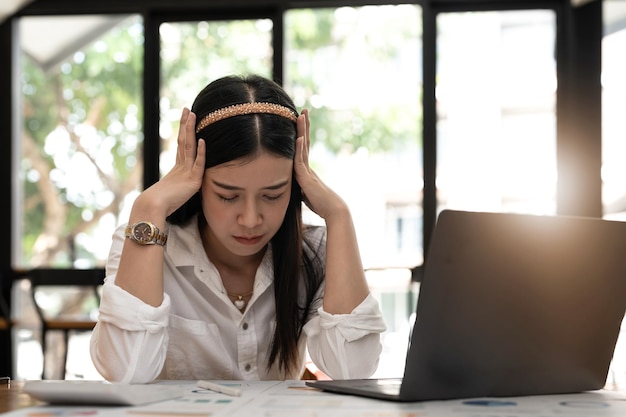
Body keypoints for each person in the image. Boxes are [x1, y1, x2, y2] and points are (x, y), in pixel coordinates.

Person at [90, 74, 386, 383]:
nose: (250, 219)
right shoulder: (145, 242)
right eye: (227, 196)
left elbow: (354, 369)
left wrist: (338, 215)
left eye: (273, 195)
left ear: (296, 185)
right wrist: (149, 206)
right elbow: (125, 372)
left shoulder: (312, 251)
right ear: (197, 181)